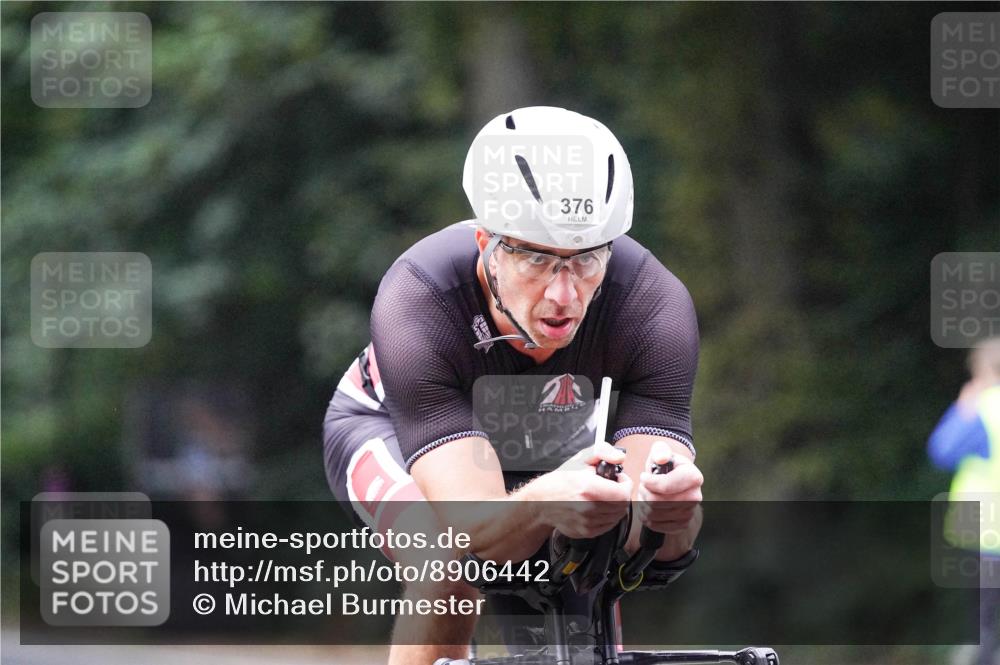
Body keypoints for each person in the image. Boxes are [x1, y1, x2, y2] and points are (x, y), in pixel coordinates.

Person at [323, 106, 704, 664]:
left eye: (587, 259)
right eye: (536, 258)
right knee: (445, 561)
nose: (564, 296)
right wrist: (548, 499)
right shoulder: (419, 296)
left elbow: (655, 545)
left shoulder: (653, 305)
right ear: (486, 244)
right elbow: (472, 532)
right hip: (389, 430)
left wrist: (670, 515)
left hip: (549, 441)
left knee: (587, 569)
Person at [928, 337, 1000, 665]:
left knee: (985, 622)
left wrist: (963, 408)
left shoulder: (985, 408)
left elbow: (942, 451)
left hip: (988, 530)